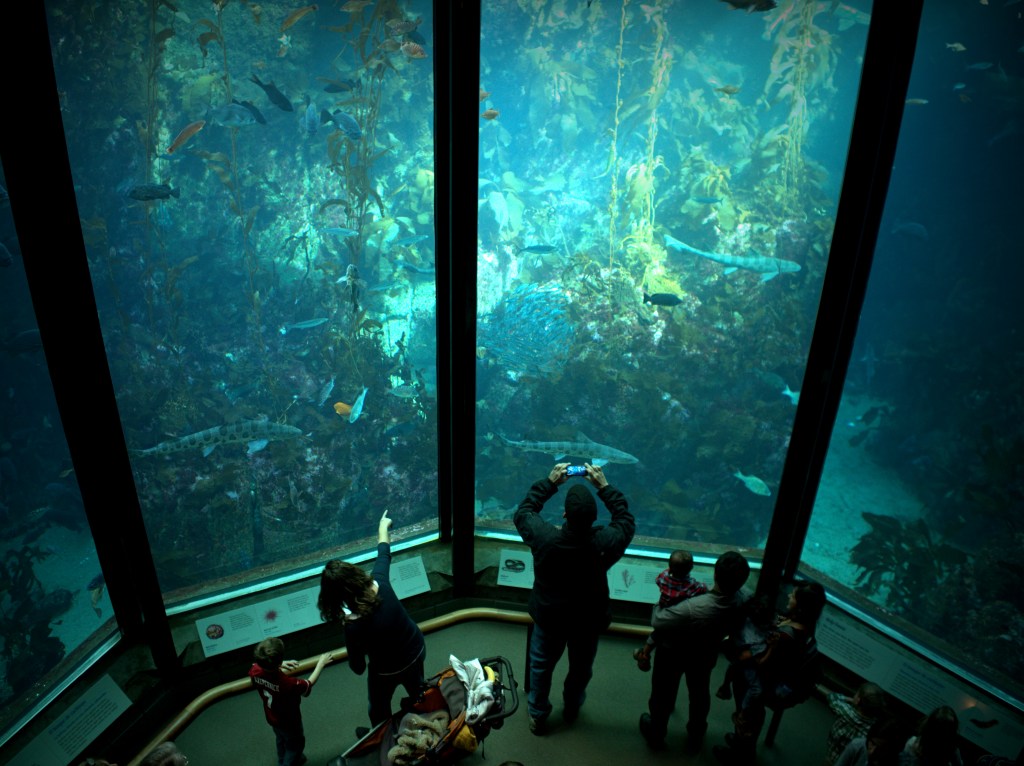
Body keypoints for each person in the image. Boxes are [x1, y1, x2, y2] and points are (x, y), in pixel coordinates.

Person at [513, 462, 634, 735]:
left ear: (565, 514)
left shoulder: (545, 538)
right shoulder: (604, 543)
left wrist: (550, 483)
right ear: (594, 519)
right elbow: (625, 521)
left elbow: (523, 513)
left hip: (549, 618)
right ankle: (572, 707)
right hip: (587, 621)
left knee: (541, 667)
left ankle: (537, 714)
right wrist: (603, 486)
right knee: (580, 668)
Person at [318, 510, 426, 727]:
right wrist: (382, 526)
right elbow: (384, 552)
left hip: (387, 670)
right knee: (419, 691)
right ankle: (424, 717)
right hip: (416, 650)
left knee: (377, 707)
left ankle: (382, 736)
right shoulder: (381, 582)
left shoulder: (353, 626)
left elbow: (357, 668)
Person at [638, 550, 751, 752]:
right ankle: (696, 734)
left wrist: (660, 603)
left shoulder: (692, 607)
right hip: (705, 654)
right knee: (699, 694)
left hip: (672, 653)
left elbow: (658, 620)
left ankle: (656, 733)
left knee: (662, 693)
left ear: (715, 575)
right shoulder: (743, 600)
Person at [713, 581, 828, 765]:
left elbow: (765, 663)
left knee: (747, 712)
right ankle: (743, 744)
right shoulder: (806, 625)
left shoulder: (786, 635)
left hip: (761, 681)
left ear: (801, 605)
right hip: (770, 680)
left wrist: (745, 653)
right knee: (752, 712)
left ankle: (740, 754)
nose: (790, 596)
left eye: (794, 595)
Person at [248, 637, 331, 766]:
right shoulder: (287, 683)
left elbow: (259, 667)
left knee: (281, 739)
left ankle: (282, 761)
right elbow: (308, 684)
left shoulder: (255, 671)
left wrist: (279, 664)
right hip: (290, 721)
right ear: (279, 661)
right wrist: (321, 664)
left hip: (272, 716)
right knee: (295, 745)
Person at [632, 549, 708, 671]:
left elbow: (658, 579)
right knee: (662, 633)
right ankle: (644, 654)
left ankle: (644, 654)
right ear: (691, 567)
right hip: (679, 617)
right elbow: (703, 588)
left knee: (658, 633)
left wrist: (670, 571)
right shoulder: (691, 585)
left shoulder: (663, 578)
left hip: (663, 609)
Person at [824, 682, 888, 766]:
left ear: (858, 700)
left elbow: (831, 696)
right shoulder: (874, 728)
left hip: (831, 757)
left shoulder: (845, 711)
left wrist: (850, 699)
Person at [834, 716, 910, 766]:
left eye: (881, 749)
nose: (872, 751)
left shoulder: (902, 762)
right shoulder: (857, 746)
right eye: (872, 743)